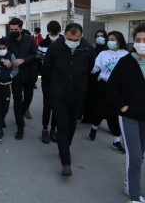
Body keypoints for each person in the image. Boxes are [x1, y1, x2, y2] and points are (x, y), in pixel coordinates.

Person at [106, 23, 145, 203]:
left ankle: (128, 182)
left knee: (140, 154)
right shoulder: (125, 62)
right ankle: (134, 196)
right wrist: (123, 107)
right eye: (138, 40)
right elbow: (111, 87)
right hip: (129, 116)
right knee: (135, 156)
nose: (142, 43)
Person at [43, 23, 95, 176]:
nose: (73, 41)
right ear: (64, 35)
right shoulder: (55, 47)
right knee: (63, 125)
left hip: (78, 93)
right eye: (70, 38)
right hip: (58, 93)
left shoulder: (87, 48)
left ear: (81, 36)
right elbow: (47, 69)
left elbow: (90, 69)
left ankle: (64, 147)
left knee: (72, 124)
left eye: (76, 39)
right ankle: (66, 163)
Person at [0, 18, 37, 140]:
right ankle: (20, 127)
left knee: (28, 98)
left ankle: (20, 115)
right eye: (12, 29)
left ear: (21, 29)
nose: (13, 31)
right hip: (15, 77)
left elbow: (34, 54)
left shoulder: (29, 39)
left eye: (16, 29)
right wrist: (2, 60)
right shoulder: (7, 40)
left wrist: (23, 60)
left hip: (28, 74)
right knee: (17, 101)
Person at [88, 31, 128, 154]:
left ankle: (116, 140)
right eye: (109, 39)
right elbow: (94, 68)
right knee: (101, 109)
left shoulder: (126, 55)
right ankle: (94, 127)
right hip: (104, 85)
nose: (110, 41)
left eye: (113, 39)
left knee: (116, 113)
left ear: (119, 41)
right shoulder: (103, 54)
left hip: (119, 88)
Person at [0, 38, 19, 142]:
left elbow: (15, 69)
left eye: (4, 48)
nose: (2, 50)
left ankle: (1, 119)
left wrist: (10, 76)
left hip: (5, 86)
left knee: (5, 107)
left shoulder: (11, 55)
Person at [37, 20, 62, 144]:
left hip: (60, 80)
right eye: (52, 33)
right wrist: (43, 72)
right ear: (48, 32)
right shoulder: (43, 43)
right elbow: (38, 60)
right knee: (48, 105)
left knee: (57, 105)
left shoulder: (63, 41)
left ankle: (53, 129)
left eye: (56, 33)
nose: (53, 35)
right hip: (47, 79)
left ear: (59, 31)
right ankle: (45, 129)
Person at [80, 30, 108, 123]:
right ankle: (87, 118)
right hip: (92, 77)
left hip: (104, 77)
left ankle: (98, 119)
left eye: (102, 35)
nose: (99, 37)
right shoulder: (91, 47)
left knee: (101, 100)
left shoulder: (108, 49)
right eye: (97, 36)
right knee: (89, 98)